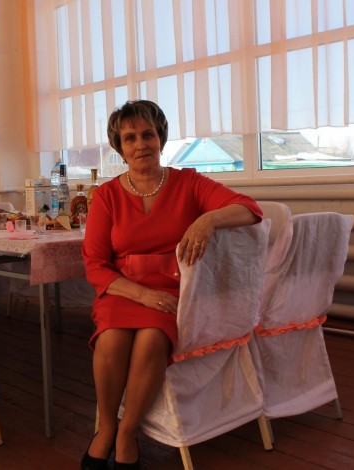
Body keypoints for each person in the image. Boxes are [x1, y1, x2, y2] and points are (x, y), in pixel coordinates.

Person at [81, 100, 263, 470]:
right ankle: (105, 427)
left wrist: (208, 219)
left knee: (152, 338)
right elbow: (95, 265)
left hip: (171, 290)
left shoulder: (189, 183)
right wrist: (141, 294)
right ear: (119, 147)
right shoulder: (106, 195)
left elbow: (249, 208)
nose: (140, 144)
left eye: (148, 134)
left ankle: (128, 432)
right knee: (111, 339)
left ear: (161, 139)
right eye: (130, 138)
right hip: (124, 289)